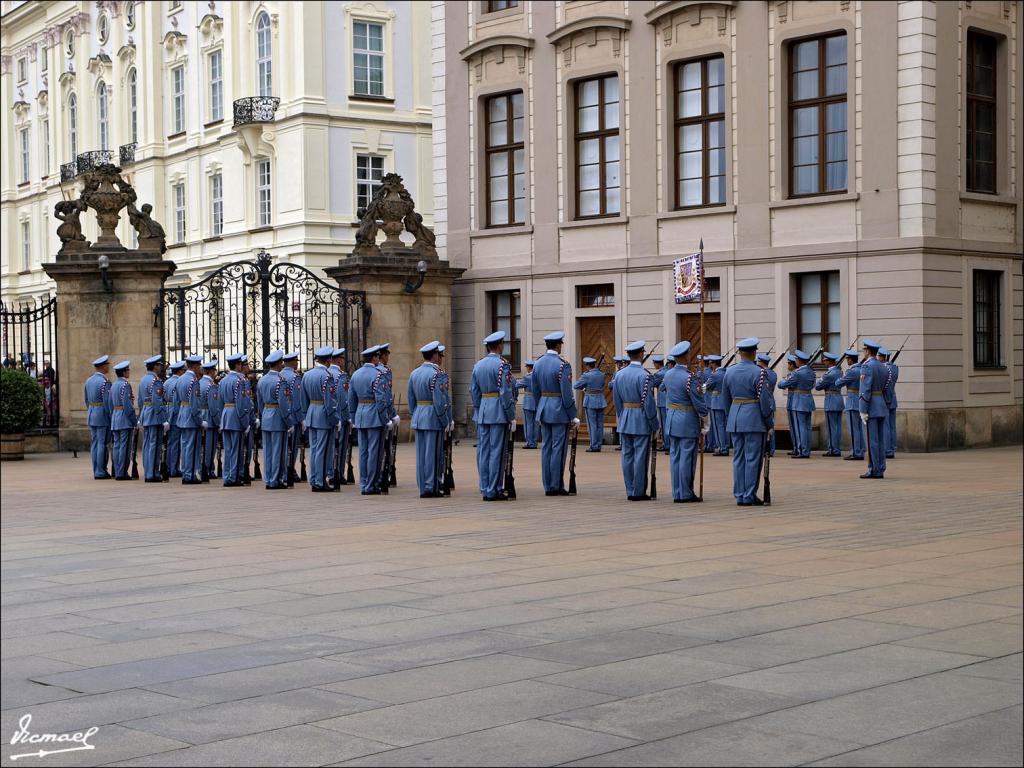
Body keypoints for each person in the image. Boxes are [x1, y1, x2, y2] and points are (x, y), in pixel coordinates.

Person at [721, 337, 775, 506]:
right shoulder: (759, 372)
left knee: (738, 458)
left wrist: (731, 416)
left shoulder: (729, 371)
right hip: (753, 418)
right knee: (752, 457)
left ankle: (739, 494)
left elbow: (725, 398)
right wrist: (769, 422)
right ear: (754, 353)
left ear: (740, 353)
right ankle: (749, 494)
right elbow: (765, 401)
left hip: (735, 417)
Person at [530, 331, 579, 496]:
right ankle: (556, 485)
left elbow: (535, 390)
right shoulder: (563, 365)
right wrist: (573, 414)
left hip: (544, 408)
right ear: (558, 345)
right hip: (558, 410)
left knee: (546, 448)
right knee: (558, 448)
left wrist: (540, 407)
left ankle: (547, 485)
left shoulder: (538, 363)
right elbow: (567, 394)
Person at [471, 331, 516, 501]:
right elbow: (505, 393)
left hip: (483, 410)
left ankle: (484, 487)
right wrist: (511, 415)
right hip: (498, 411)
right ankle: (494, 489)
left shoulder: (478, 365)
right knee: (497, 451)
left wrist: (479, 408)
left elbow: (474, 391)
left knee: (484, 451)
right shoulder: (502, 365)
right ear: (499, 346)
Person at [662, 341, 709, 503]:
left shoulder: (667, 374)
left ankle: (677, 491)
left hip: (672, 418)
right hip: (687, 420)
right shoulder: (690, 377)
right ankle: (686, 492)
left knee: (675, 456)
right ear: (686, 356)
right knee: (687, 457)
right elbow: (697, 402)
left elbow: (666, 391)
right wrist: (705, 418)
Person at [612, 340, 659, 501]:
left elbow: (616, 401)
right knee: (640, 456)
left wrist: (622, 415)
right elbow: (648, 403)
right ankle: (638, 491)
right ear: (641, 354)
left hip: (625, 417)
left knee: (627, 455)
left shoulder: (619, 374)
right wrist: (654, 423)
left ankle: (630, 489)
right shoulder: (645, 375)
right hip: (640, 419)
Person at [408, 341, 452, 497]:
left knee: (421, 455)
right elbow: (440, 401)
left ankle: (423, 486)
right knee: (433, 454)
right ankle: (430, 487)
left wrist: (416, 415)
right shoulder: (437, 374)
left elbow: (411, 400)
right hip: (433, 417)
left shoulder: (414, 373)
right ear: (434, 355)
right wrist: (446, 420)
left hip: (419, 416)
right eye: (438, 354)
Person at [349, 345, 393, 494]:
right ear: (374, 358)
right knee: (374, 452)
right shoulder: (378, 375)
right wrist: (385, 417)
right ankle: (371, 485)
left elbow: (351, 399)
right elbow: (380, 399)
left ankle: (364, 483)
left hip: (361, 415)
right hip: (374, 416)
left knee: (363, 452)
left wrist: (354, 417)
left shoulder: (355, 374)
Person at [257, 350, 296, 490]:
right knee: (278, 451)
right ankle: (275, 479)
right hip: (278, 418)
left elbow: (260, 402)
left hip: (266, 416)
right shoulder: (280, 381)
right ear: (279, 364)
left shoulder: (262, 380)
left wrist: (263, 415)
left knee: (268, 451)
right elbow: (284, 404)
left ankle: (268, 478)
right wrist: (289, 421)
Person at [302, 346, 338, 492]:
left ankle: (314, 478)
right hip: (323, 415)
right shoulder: (327, 376)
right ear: (329, 359)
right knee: (322, 450)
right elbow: (330, 402)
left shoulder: (307, 375)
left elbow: (303, 399)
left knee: (315, 449)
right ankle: (320, 481)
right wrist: (335, 419)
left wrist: (306, 415)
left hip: (311, 413)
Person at [858, 339, 890, 479]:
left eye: (864, 350)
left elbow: (865, 390)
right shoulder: (883, 366)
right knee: (880, 440)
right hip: (881, 405)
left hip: (871, 406)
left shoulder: (867, 366)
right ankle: (881, 467)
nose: (863, 352)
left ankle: (874, 469)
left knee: (872, 440)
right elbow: (886, 388)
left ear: (868, 351)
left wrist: (863, 409)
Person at [219, 354, 251, 487]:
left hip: (226, 415)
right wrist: (245, 422)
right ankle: (234, 476)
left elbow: (220, 402)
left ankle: (227, 476)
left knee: (227, 449)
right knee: (236, 449)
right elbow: (240, 403)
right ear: (237, 365)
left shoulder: (223, 380)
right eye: (240, 364)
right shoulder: (239, 381)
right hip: (235, 417)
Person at [138, 354, 169, 482]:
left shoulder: (143, 380)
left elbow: (140, 401)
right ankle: (152, 473)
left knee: (147, 444)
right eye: (159, 365)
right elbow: (157, 402)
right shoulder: (155, 381)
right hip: (154, 416)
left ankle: (148, 471)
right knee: (154, 445)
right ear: (155, 366)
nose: (161, 368)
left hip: (146, 413)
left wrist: (141, 416)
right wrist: (163, 419)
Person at [176, 355, 205, 484]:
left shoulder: (181, 379)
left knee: (185, 447)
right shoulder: (193, 381)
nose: (200, 368)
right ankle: (190, 475)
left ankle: (185, 472)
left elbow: (177, 400)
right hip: (191, 418)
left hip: (183, 415)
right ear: (194, 366)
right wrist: (200, 420)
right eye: (199, 365)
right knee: (192, 448)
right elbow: (194, 405)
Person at [782, 349, 815, 458]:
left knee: (799, 428)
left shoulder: (797, 373)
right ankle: (806, 450)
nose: (795, 361)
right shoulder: (811, 372)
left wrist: (782, 381)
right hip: (808, 400)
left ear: (799, 360)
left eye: (796, 359)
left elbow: (783, 384)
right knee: (806, 427)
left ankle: (802, 451)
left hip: (798, 402)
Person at [84, 355, 113, 479]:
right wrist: (111, 416)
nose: (108, 367)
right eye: (107, 365)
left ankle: (96, 469)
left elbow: (86, 400)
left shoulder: (89, 380)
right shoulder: (104, 382)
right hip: (101, 414)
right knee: (102, 443)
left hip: (91, 413)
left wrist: (91, 410)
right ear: (102, 366)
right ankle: (100, 470)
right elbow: (107, 402)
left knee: (95, 443)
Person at [110, 360, 137, 480]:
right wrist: (134, 420)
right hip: (124, 419)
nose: (129, 372)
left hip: (115, 417)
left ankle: (117, 470)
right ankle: (122, 472)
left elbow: (110, 403)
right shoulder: (125, 385)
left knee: (117, 445)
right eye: (128, 370)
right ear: (124, 372)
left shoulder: (114, 385)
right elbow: (127, 406)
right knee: (124, 447)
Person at [328, 348, 351, 487]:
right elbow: (343, 399)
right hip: (340, 415)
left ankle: (330, 472)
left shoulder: (326, 373)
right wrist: (347, 417)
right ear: (338, 360)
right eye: (342, 358)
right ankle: (338, 472)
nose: (343, 360)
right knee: (341, 446)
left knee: (329, 445)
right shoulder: (341, 375)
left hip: (329, 414)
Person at [573, 356, 606, 453]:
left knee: (592, 425)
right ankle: (599, 444)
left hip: (590, 400)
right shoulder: (601, 374)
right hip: (600, 400)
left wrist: (585, 385)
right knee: (600, 424)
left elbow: (576, 385)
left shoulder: (586, 375)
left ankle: (594, 445)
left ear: (587, 366)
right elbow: (602, 385)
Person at [837, 349, 865, 461]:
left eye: (847, 359)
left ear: (850, 360)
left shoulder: (851, 371)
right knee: (860, 428)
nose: (847, 361)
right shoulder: (862, 369)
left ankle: (856, 452)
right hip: (861, 401)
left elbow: (838, 382)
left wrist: (841, 377)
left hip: (852, 402)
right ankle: (861, 450)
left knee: (854, 429)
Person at [815, 352, 844, 457]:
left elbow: (818, 386)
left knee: (831, 427)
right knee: (837, 427)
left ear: (828, 361)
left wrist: (820, 380)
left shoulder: (829, 374)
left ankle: (833, 449)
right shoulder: (839, 372)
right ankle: (836, 448)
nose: (824, 362)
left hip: (831, 400)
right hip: (839, 399)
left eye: (825, 360)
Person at [281, 352, 305, 483]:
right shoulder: (295, 377)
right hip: (293, 416)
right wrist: (301, 418)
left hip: (281, 415)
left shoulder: (279, 375)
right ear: (293, 362)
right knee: (293, 446)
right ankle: (290, 469)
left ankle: (283, 470)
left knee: (282, 446)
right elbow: (297, 400)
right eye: (296, 361)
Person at [704, 355, 729, 456]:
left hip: (717, 402)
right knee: (725, 426)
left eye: (711, 363)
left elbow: (706, 387)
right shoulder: (726, 372)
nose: (710, 365)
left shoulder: (715, 375)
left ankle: (721, 448)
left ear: (714, 364)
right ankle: (726, 446)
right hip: (725, 402)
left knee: (719, 426)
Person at [198, 359, 220, 481]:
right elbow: (213, 406)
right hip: (209, 418)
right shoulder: (211, 386)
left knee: (201, 446)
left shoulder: (198, 383)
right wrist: (218, 422)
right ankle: (208, 469)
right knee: (210, 447)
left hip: (200, 416)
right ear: (211, 372)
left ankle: (202, 468)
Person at [164, 361, 185, 477]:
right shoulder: (179, 382)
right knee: (175, 443)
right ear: (180, 371)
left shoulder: (167, 382)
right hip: (176, 413)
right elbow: (177, 402)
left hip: (168, 412)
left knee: (171, 442)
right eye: (183, 371)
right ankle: (173, 468)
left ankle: (170, 467)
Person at [756, 353, 778, 456]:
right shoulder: (773, 373)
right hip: (770, 401)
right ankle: (771, 449)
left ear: (760, 362)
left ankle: (767, 449)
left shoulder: (761, 373)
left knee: (766, 426)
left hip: (763, 401)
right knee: (770, 426)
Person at [879, 347, 899, 458]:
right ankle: (892, 447)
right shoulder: (895, 368)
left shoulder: (884, 368)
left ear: (882, 357)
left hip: (885, 398)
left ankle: (887, 449)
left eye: (879, 356)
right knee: (892, 425)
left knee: (886, 425)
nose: (878, 358)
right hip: (893, 398)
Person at [518, 360, 538, 449]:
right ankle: (535, 442)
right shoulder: (538, 377)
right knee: (536, 424)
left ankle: (530, 443)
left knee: (528, 423)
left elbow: (517, 385)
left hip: (528, 402)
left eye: (527, 367)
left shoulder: (527, 378)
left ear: (529, 367)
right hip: (537, 402)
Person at [610, 355, 628, 452]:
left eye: (619, 363)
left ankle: (622, 443)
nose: (618, 365)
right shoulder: (617, 373)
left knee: (622, 422)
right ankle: (622, 443)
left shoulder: (619, 374)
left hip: (623, 401)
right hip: (622, 401)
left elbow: (611, 384)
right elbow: (609, 385)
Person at [651, 355, 667, 450]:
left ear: (657, 364)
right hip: (669, 401)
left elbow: (652, 383)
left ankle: (666, 444)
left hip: (662, 402)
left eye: (654, 363)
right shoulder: (668, 371)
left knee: (664, 424)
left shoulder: (659, 374)